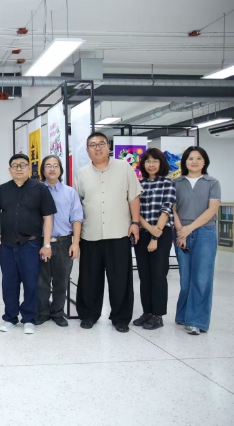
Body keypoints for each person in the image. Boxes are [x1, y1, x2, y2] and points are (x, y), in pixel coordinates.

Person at [73, 132, 143, 333]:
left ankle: (120, 318)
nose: (97, 148)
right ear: (87, 150)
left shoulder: (124, 168)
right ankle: (88, 315)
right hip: (90, 233)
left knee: (120, 279)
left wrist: (135, 222)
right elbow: (77, 205)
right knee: (89, 279)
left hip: (119, 232)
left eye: (101, 143)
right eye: (92, 145)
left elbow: (133, 197)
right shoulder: (82, 173)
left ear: (108, 146)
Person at [0, 154, 56, 334]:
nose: (19, 168)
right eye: (15, 165)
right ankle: (10, 317)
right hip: (8, 245)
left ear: (29, 168)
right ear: (9, 170)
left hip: (31, 245)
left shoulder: (40, 189)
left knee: (31, 283)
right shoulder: (2, 190)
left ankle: (29, 319)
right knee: (9, 283)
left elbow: (48, 217)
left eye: (23, 165)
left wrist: (46, 244)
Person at [173, 146, 220, 336]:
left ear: (205, 161)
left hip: (205, 232)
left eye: (199, 158)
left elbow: (212, 209)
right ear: (184, 161)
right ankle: (183, 315)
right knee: (185, 279)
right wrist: (181, 232)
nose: (194, 161)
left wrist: (188, 229)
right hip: (181, 232)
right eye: (190, 158)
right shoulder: (176, 182)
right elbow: (172, 209)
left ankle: (196, 321)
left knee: (201, 278)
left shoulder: (212, 182)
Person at [35, 155, 83, 328]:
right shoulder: (36, 190)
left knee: (61, 280)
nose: (52, 169)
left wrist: (75, 243)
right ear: (43, 170)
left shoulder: (70, 192)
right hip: (41, 243)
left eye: (55, 165)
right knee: (41, 280)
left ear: (61, 170)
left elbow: (77, 218)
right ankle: (42, 312)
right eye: (48, 165)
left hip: (64, 242)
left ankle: (57, 312)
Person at [133, 148, 176, 330]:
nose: (151, 164)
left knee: (158, 274)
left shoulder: (168, 183)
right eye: (148, 161)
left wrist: (154, 235)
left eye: (155, 161)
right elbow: (135, 211)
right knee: (144, 275)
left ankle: (157, 315)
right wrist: (148, 228)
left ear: (161, 163)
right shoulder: (139, 184)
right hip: (142, 232)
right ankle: (147, 312)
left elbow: (166, 210)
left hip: (161, 233)